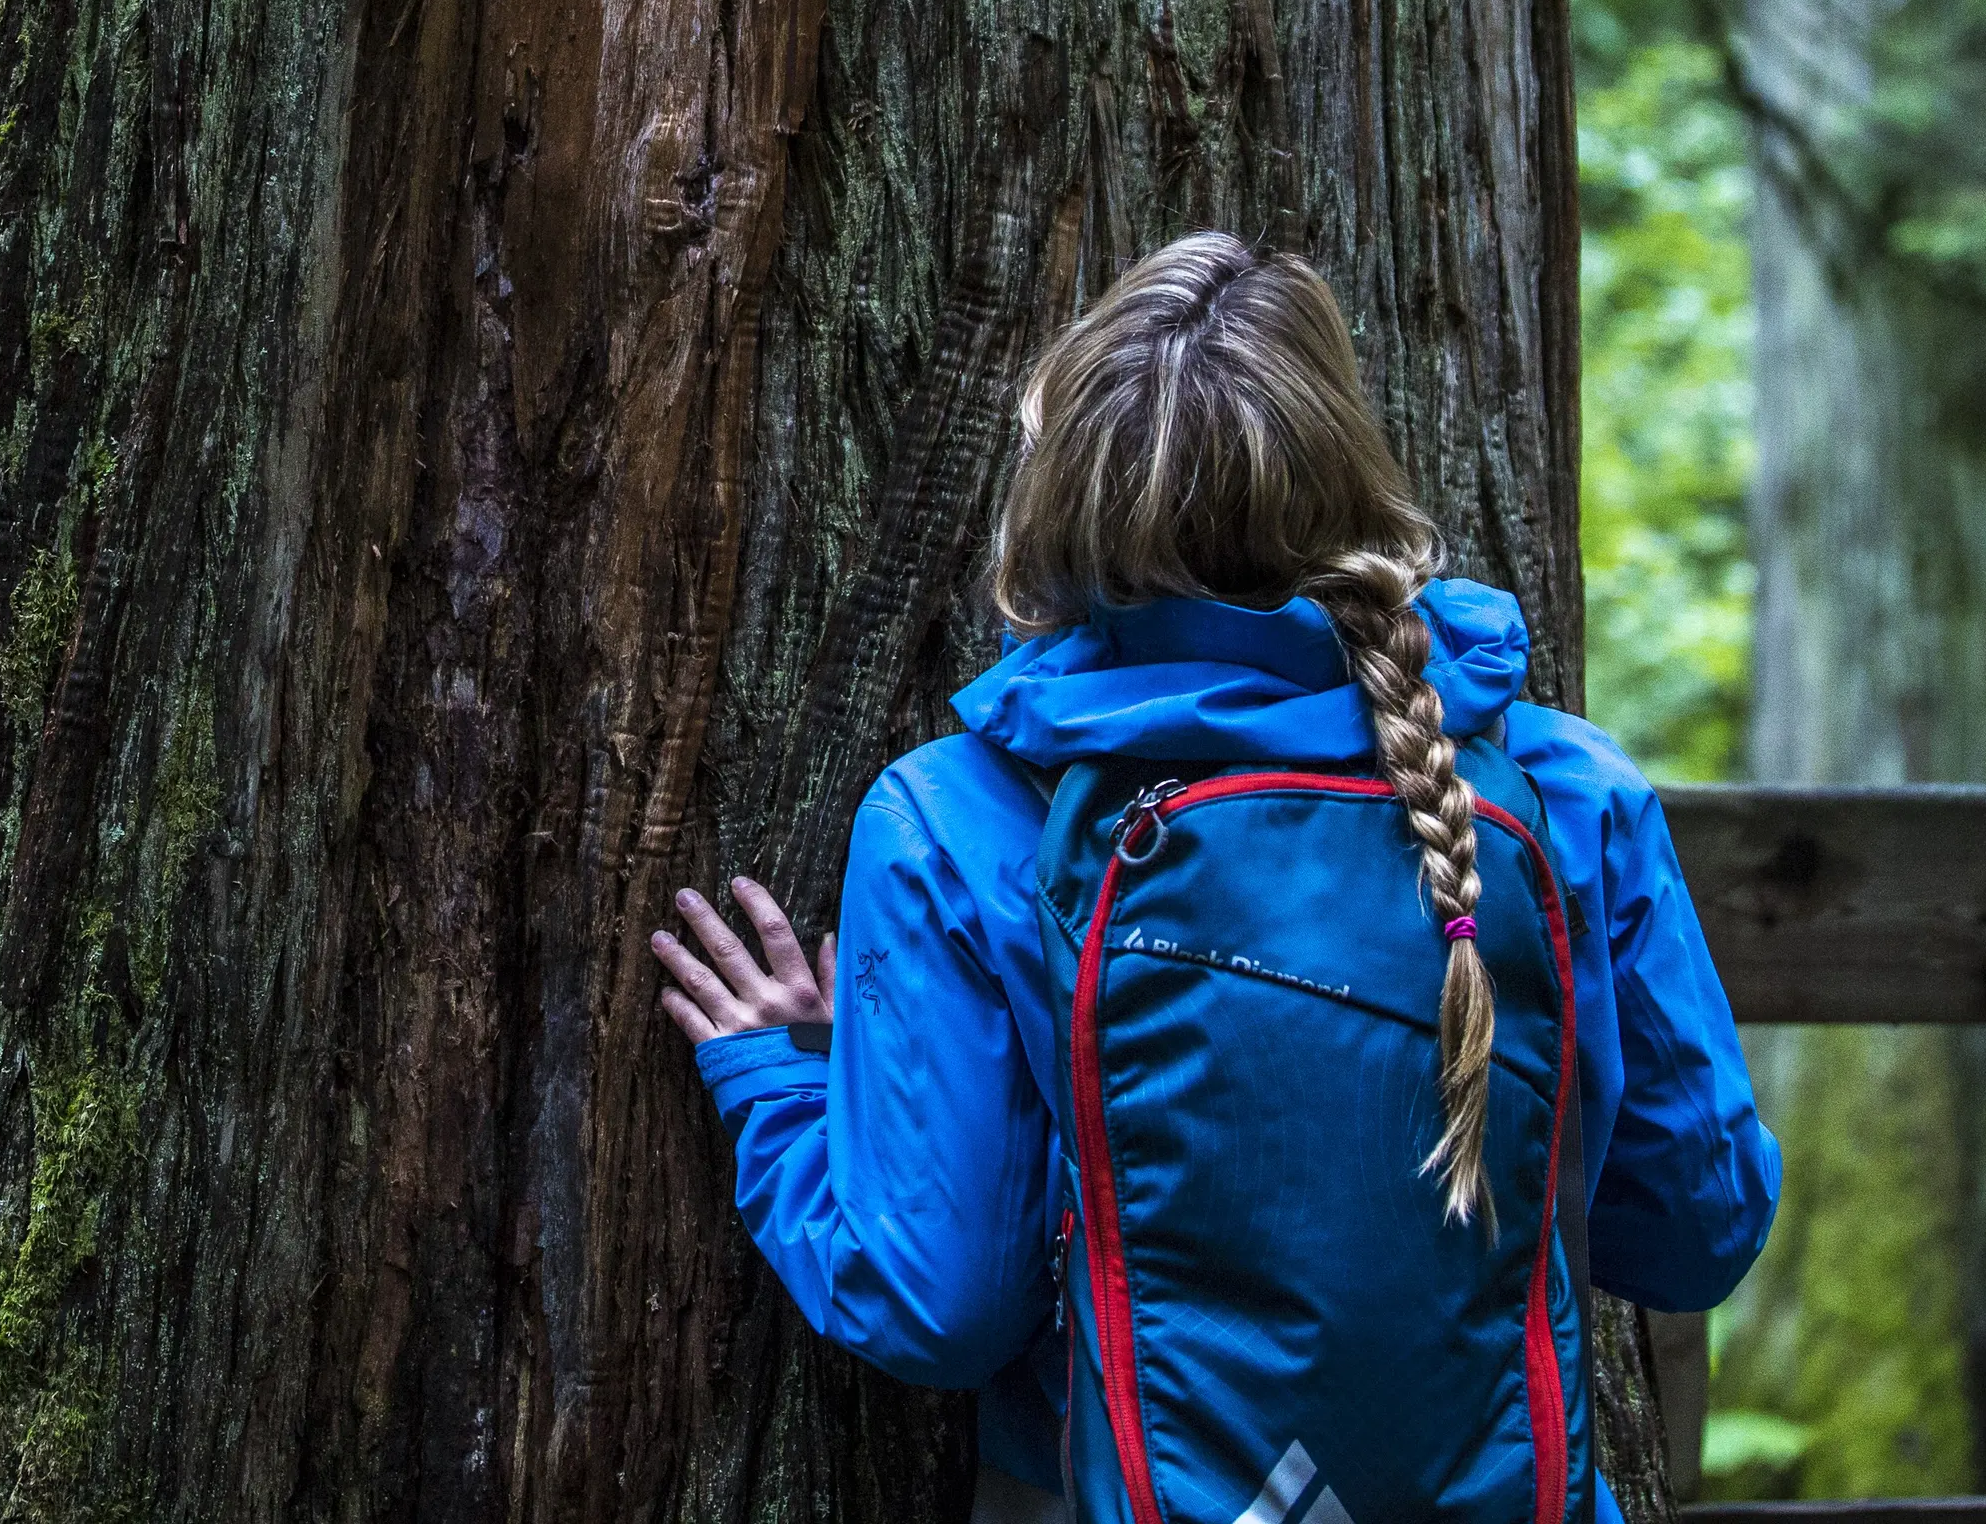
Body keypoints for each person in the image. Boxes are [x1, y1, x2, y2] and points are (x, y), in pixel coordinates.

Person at [650, 233, 1780, 1524]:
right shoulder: (1561, 795)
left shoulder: (957, 825)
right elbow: (1700, 1228)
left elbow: (944, 1299)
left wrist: (783, 1094)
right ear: (1347, 473)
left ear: (1061, 499)